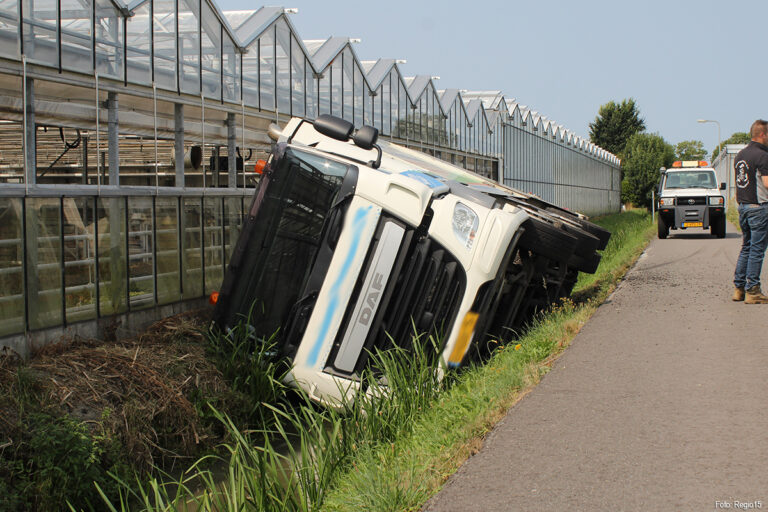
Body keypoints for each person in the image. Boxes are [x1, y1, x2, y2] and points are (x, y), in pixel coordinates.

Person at [733, 119, 768, 303]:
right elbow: (767, 184)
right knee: (757, 250)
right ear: (763, 134)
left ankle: (739, 288)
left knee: (746, 247)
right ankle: (753, 291)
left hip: (743, 207)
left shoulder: (741, 155)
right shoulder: (762, 156)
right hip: (758, 208)